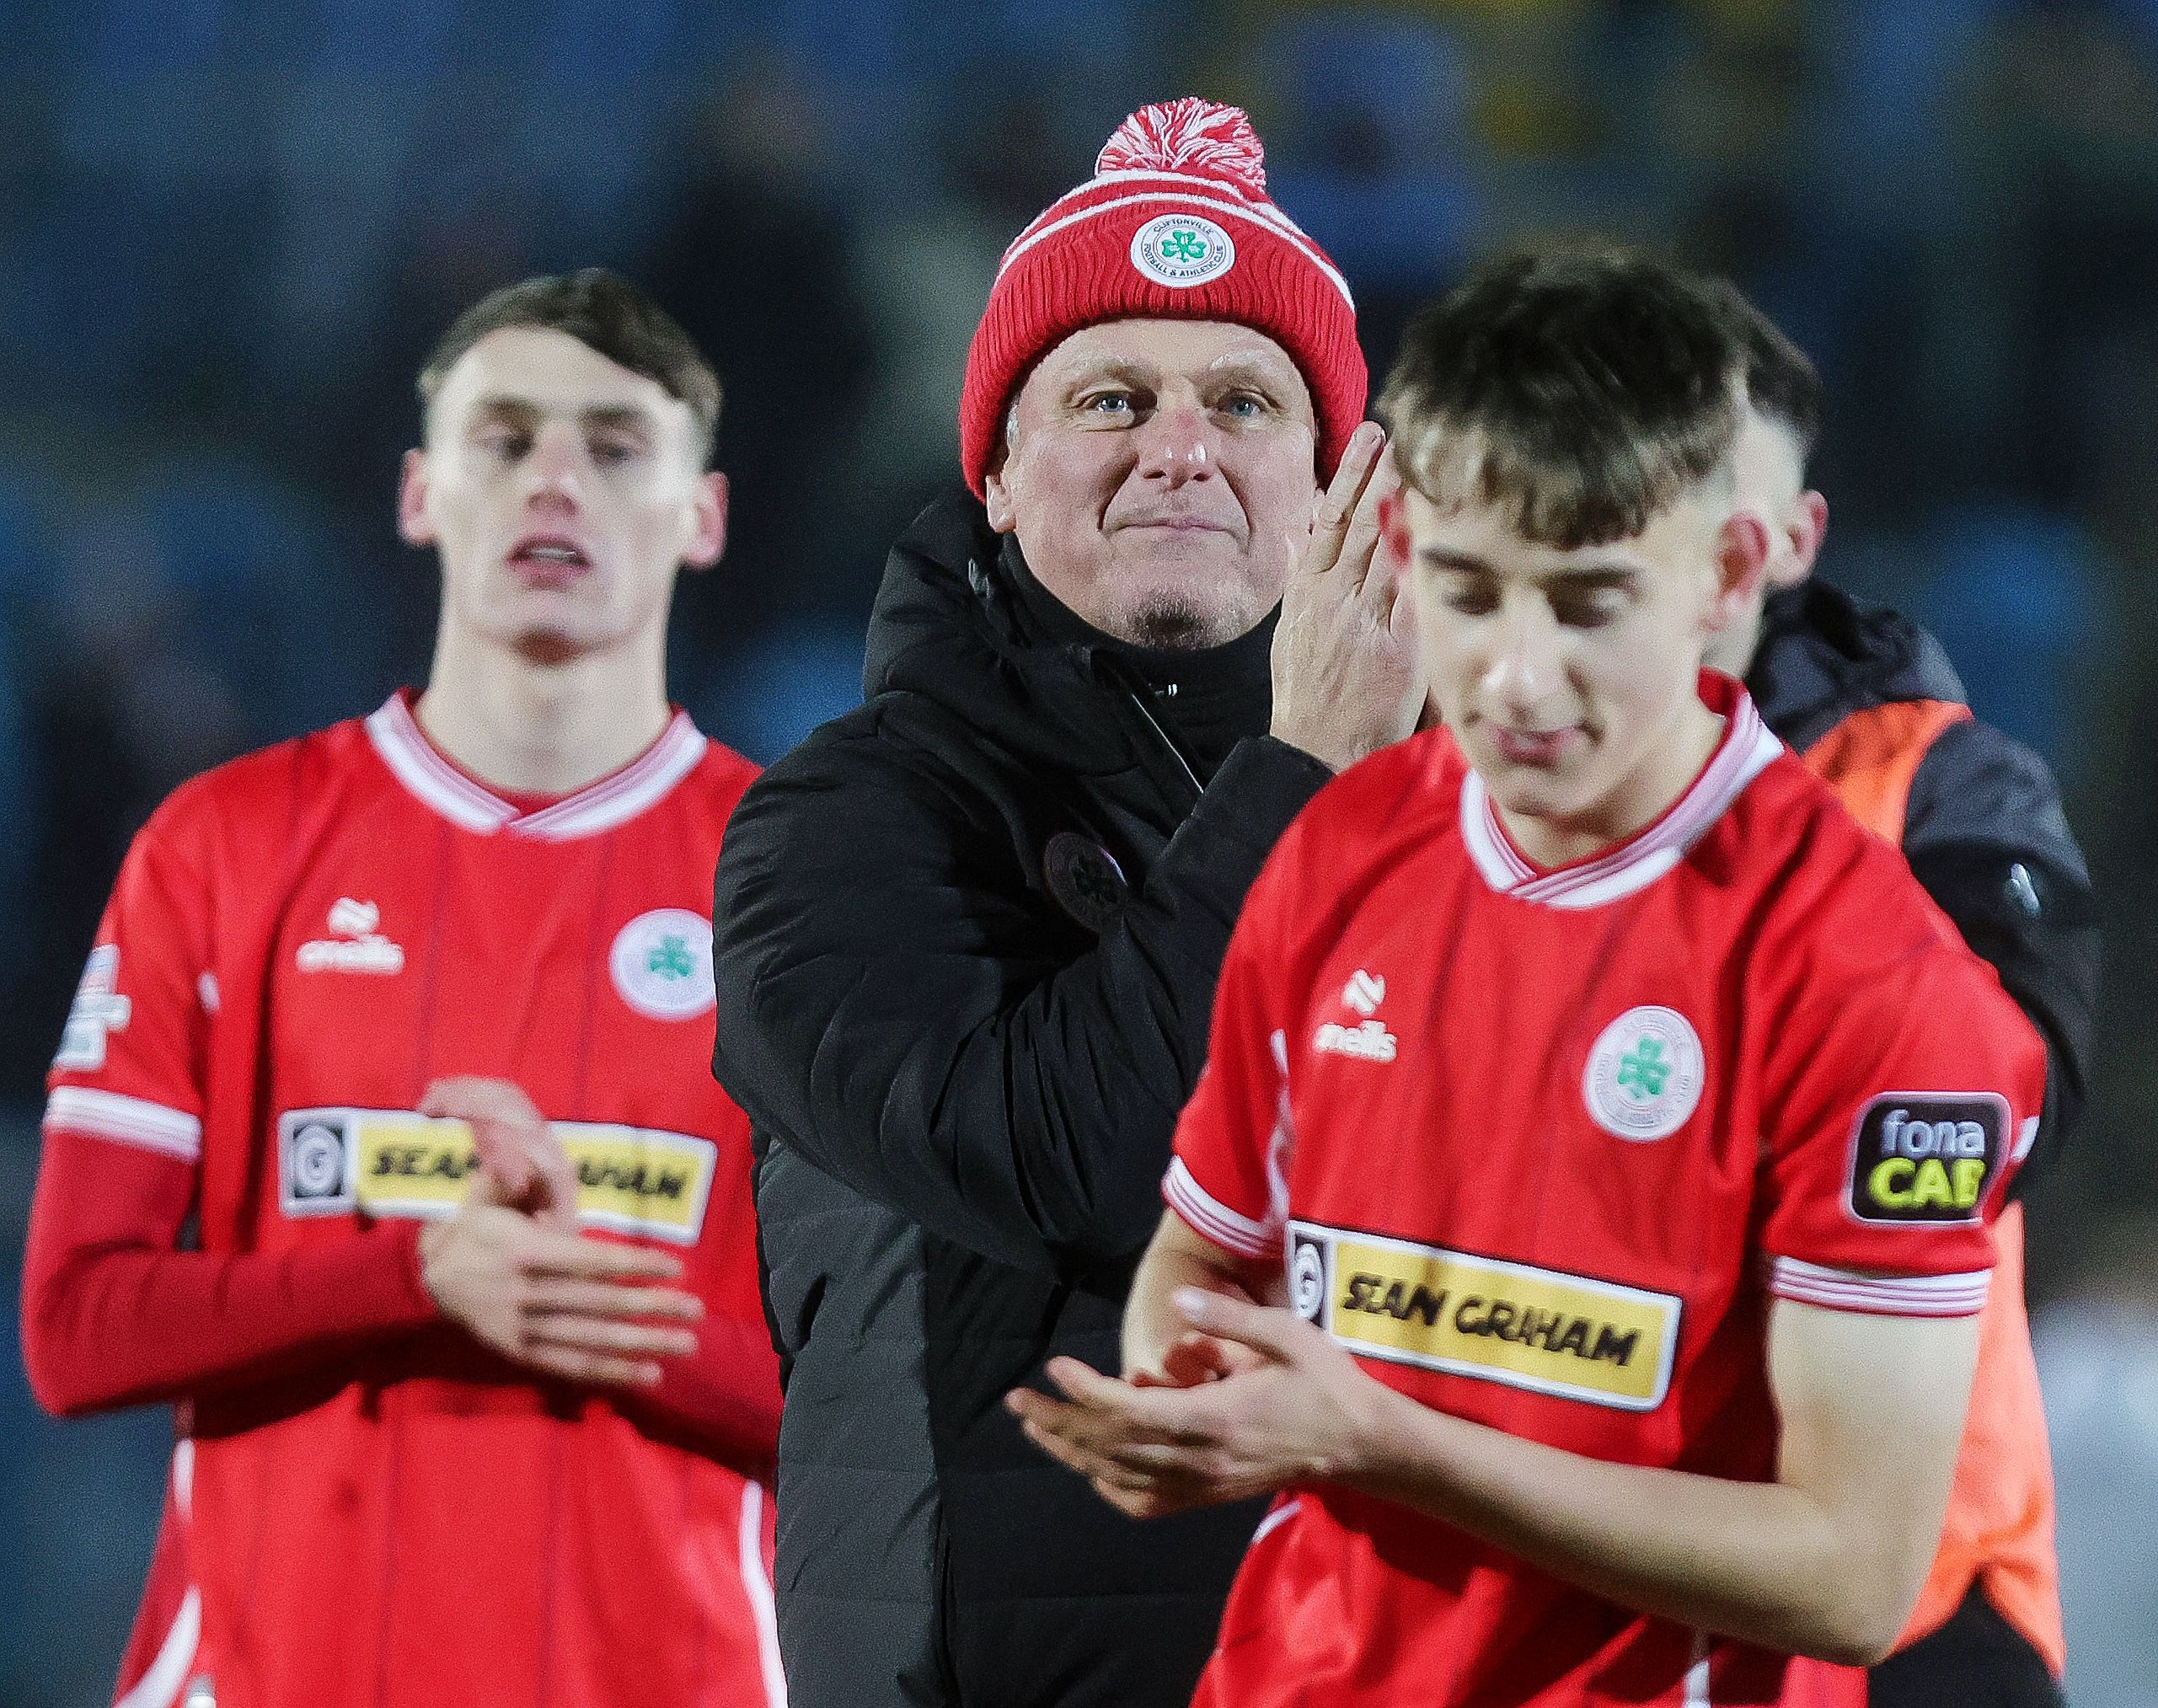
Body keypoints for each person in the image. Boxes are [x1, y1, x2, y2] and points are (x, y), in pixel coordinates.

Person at [1008, 250, 2048, 1707]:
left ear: (1730, 573)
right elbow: (1205, 1253)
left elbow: (1853, 1574)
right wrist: (1189, 1396)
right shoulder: (1337, 849)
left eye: (1586, 600)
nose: (1512, 674)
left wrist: (1376, 1437)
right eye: (1469, 590)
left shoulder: (1877, 984)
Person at [708, 97, 1422, 1708]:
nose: (1181, 446)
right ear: (1000, 481)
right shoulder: (838, 828)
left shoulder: (1458, 838)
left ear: (1329, 492)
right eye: (1111, 396)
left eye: (1245, 400)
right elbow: (1069, 1166)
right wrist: (1301, 779)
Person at [21, 271, 787, 1708]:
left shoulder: (799, 888)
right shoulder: (223, 847)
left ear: (704, 518)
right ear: (421, 493)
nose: (554, 480)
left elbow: (893, 1419)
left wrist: (584, 1308)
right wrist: (416, 1274)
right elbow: (74, 1329)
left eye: (614, 446)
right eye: (504, 439)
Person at [1705, 287, 2100, 1707]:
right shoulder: (1462, 796)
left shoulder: (1946, 786)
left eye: (1725, 494)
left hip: (1922, 1606)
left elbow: (2003, 1112)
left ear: (1796, 537)